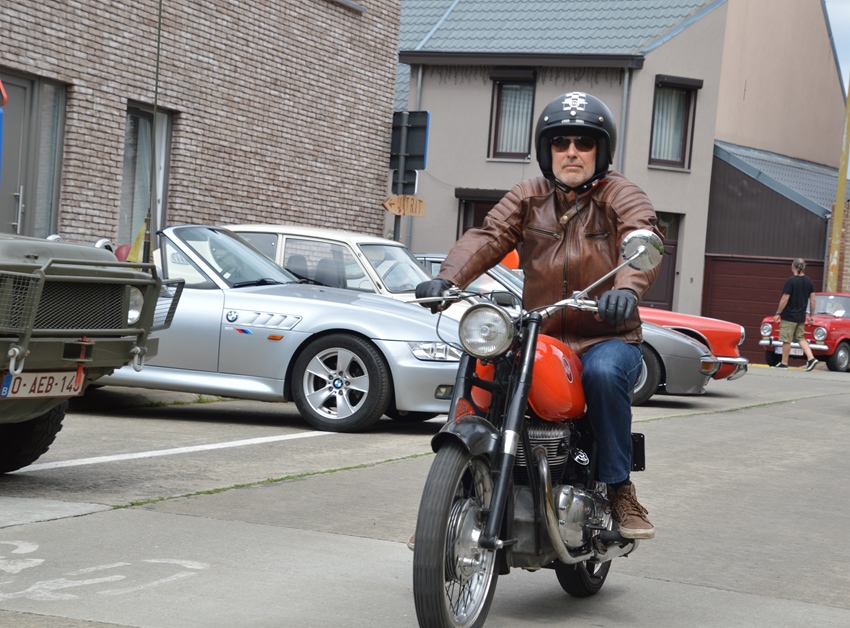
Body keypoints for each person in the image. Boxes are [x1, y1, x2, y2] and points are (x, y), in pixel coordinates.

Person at [415, 91, 660, 541]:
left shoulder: (621, 195)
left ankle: (619, 488)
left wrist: (626, 291)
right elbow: (489, 236)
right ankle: (451, 499)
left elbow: (641, 236)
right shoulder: (528, 195)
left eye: (584, 142)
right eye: (560, 142)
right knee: (486, 365)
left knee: (604, 374)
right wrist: (447, 279)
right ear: (547, 150)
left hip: (606, 336)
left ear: (601, 150)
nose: (572, 152)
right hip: (540, 336)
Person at [771, 258, 817, 371]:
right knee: (800, 337)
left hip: (789, 316)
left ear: (793, 266)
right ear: (804, 267)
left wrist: (778, 313)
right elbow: (813, 299)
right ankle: (811, 358)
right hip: (801, 316)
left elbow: (785, 298)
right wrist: (811, 315)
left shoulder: (791, 281)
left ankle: (784, 363)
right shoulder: (809, 281)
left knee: (786, 339)